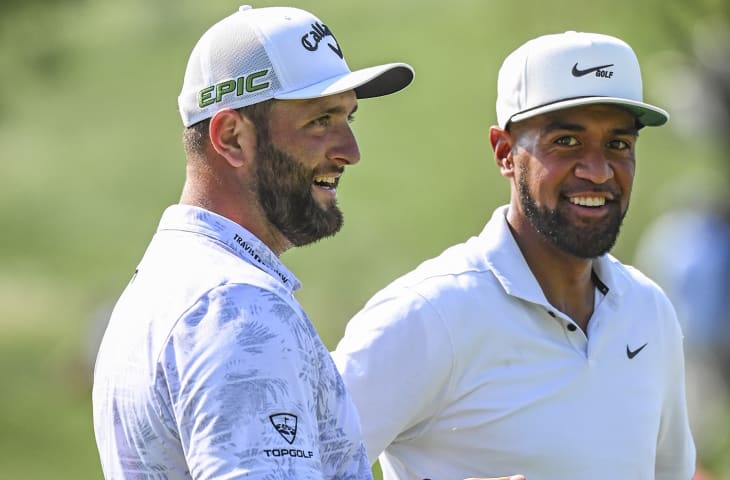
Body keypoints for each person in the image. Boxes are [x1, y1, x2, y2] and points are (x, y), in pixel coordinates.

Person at [333, 31, 697, 479]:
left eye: (618, 145)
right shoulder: (428, 315)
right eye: (566, 142)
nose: (598, 170)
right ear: (505, 153)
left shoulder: (650, 311)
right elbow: (277, 466)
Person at [91, 5, 415, 479]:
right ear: (232, 137)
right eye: (320, 120)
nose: (351, 150)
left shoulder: (171, 282)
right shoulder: (238, 308)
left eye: (348, 117)